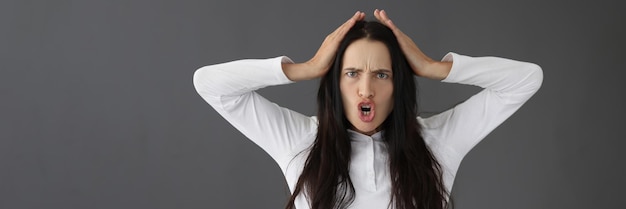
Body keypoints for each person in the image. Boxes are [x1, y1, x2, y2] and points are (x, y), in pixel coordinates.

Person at [193, 9, 543, 209]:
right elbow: (210, 84)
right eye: (352, 73)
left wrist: (434, 67)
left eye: (381, 74)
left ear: (397, 85)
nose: (366, 89)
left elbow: (527, 79)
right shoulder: (299, 141)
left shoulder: (437, 141)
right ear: (335, 83)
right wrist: (306, 68)